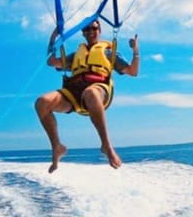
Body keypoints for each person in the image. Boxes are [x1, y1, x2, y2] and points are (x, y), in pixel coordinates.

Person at [34, 20, 140, 173]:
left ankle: (106, 145)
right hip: (73, 94)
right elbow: (51, 62)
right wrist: (53, 38)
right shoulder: (77, 54)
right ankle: (57, 146)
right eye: (87, 29)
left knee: (90, 92)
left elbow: (133, 71)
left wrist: (136, 51)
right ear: (83, 33)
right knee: (42, 102)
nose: (90, 31)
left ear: (99, 30)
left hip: (98, 90)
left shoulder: (108, 52)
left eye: (94, 28)